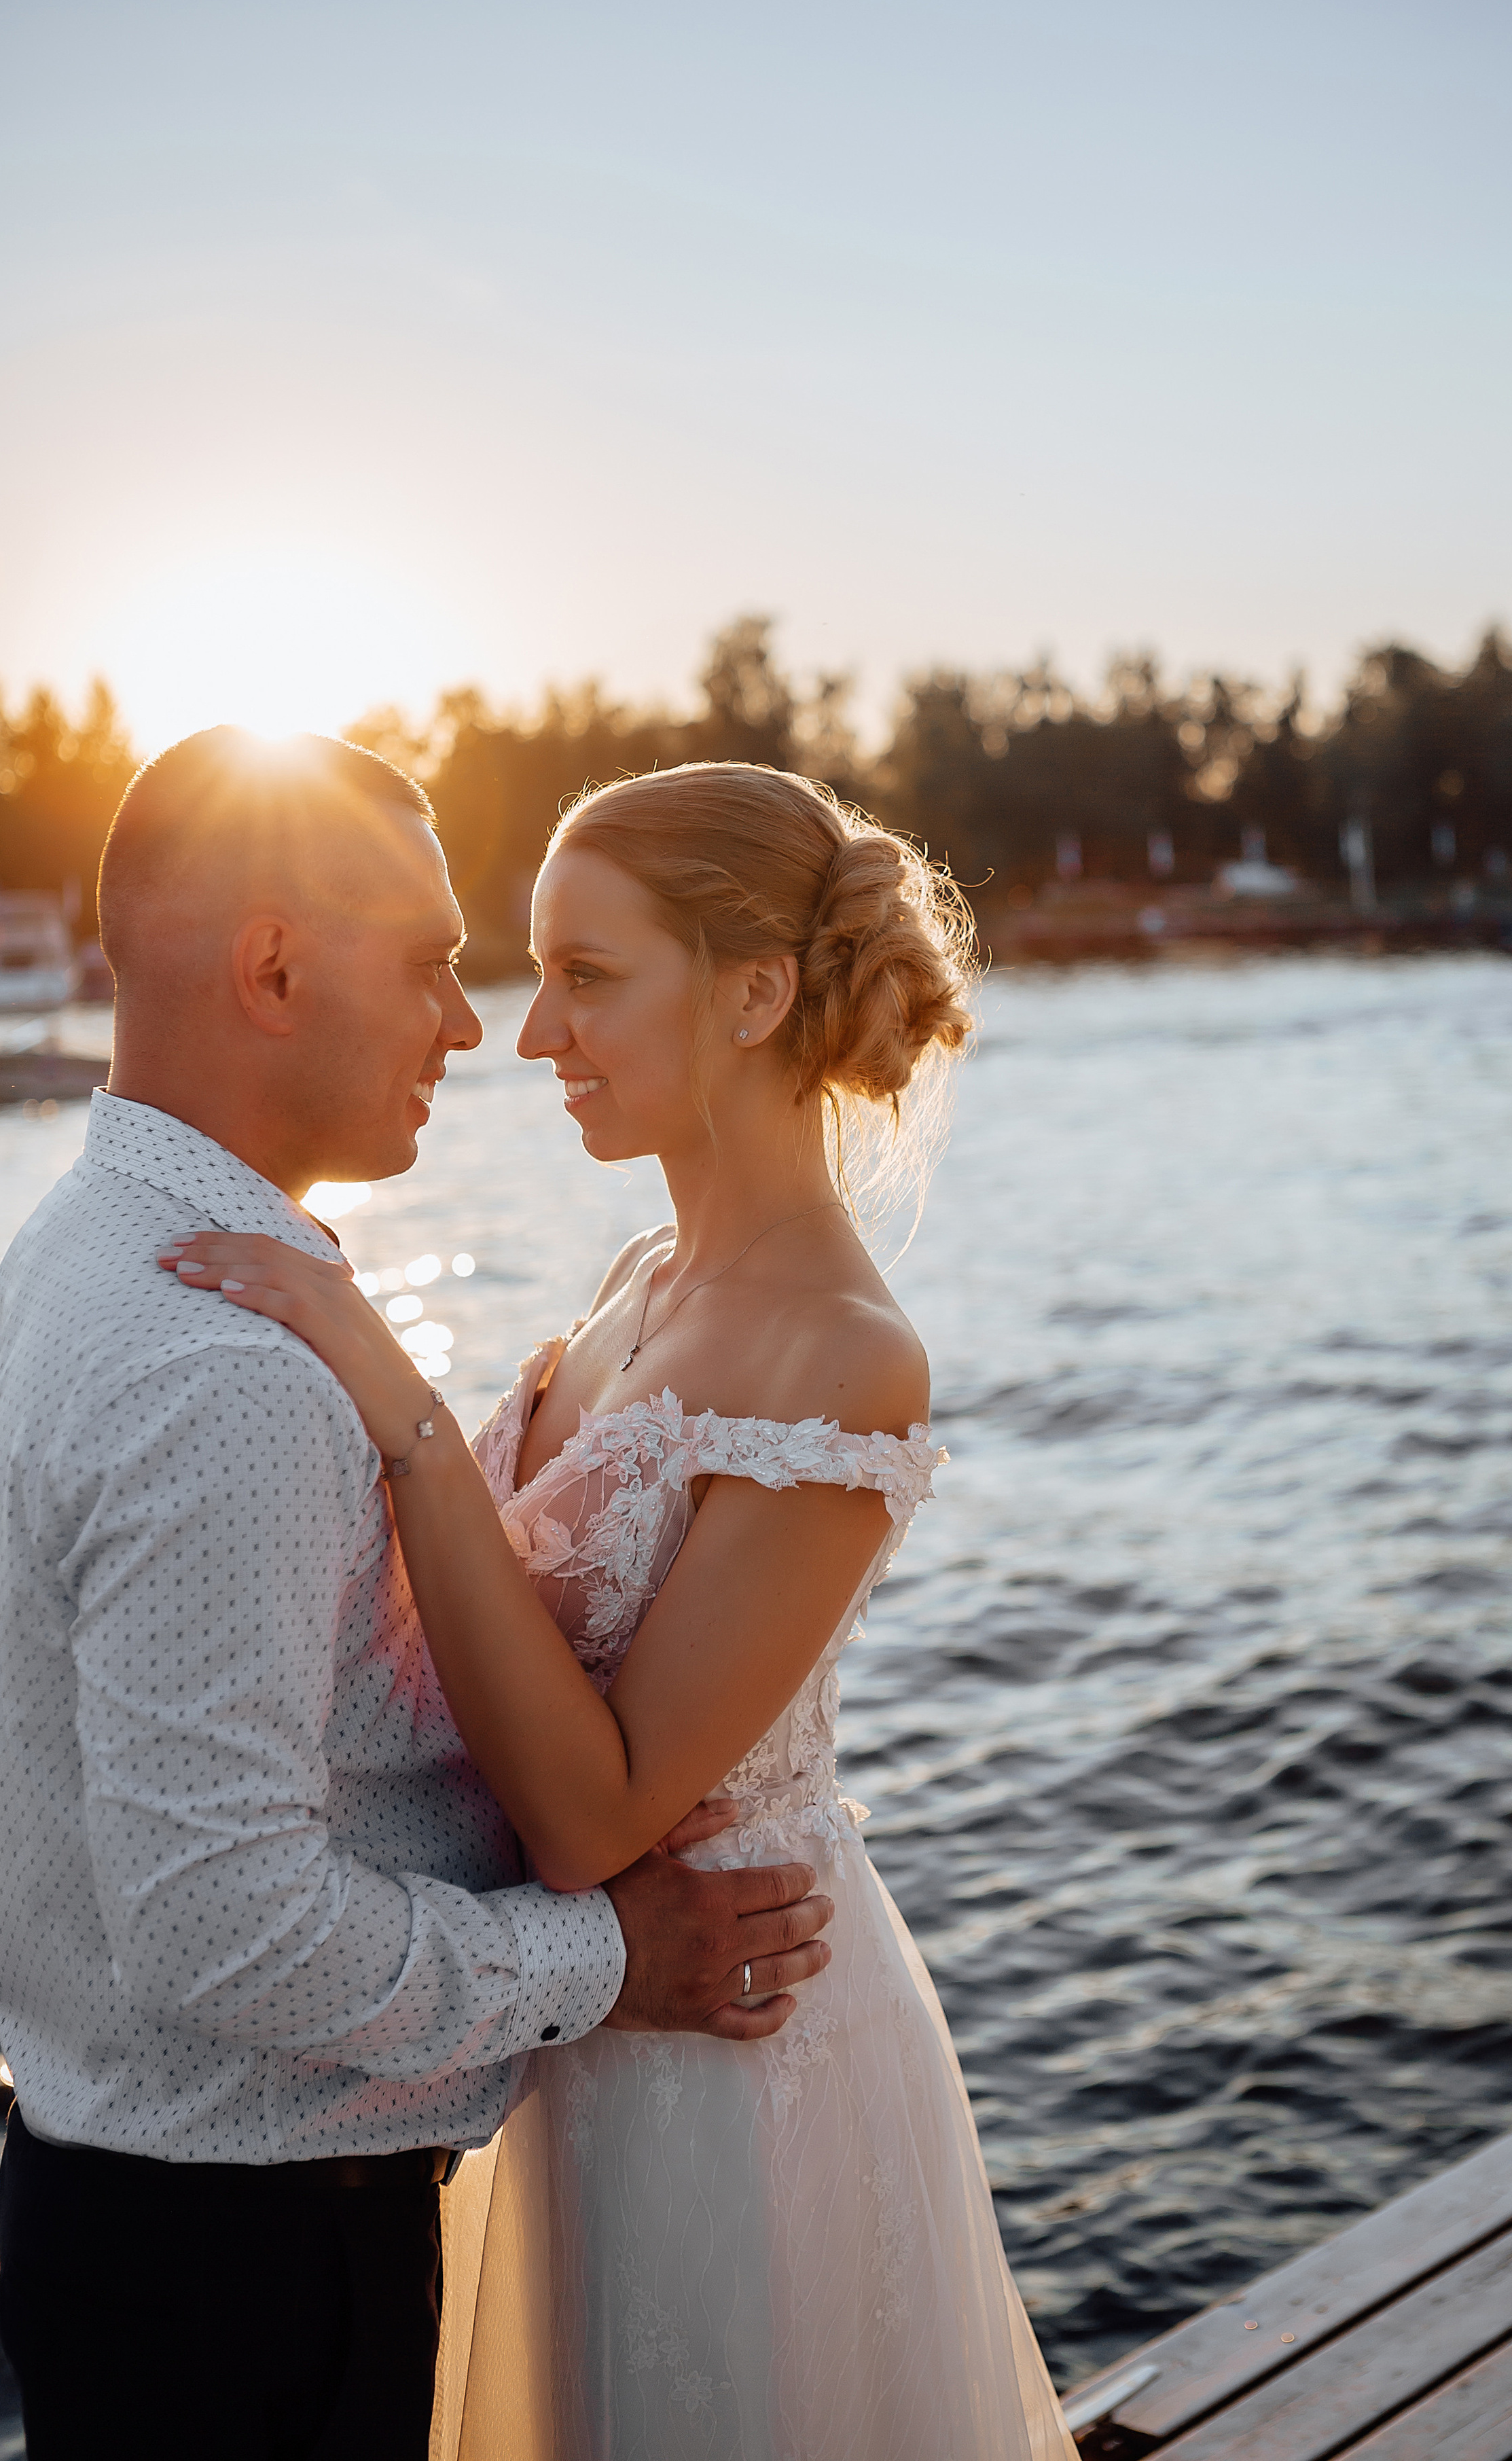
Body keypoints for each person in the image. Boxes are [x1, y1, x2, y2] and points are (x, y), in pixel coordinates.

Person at [163, 761, 1078, 2460]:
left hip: (735, 2066)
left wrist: (398, 1402)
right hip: (576, 2031)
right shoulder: (632, 1286)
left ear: (752, 992)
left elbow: (593, 1814)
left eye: (586, 976)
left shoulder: (844, 1361)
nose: (530, 1034)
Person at [0, 729, 834, 2461]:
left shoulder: (75, 1253)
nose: (466, 1023)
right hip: (251, 2276)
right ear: (272, 965)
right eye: (431, 961)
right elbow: (225, 1925)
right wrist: (603, 1954)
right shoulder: (231, 1368)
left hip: (131, 2222)